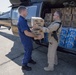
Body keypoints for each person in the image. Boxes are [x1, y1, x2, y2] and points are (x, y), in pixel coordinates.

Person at [17, 6, 42, 71]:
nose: (27, 12)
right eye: (26, 11)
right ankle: (24, 65)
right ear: (23, 11)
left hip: (27, 39)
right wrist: (36, 36)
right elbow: (27, 33)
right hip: (26, 39)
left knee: (30, 49)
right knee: (28, 51)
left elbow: (26, 30)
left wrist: (31, 29)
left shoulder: (22, 19)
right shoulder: (21, 21)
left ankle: (29, 59)